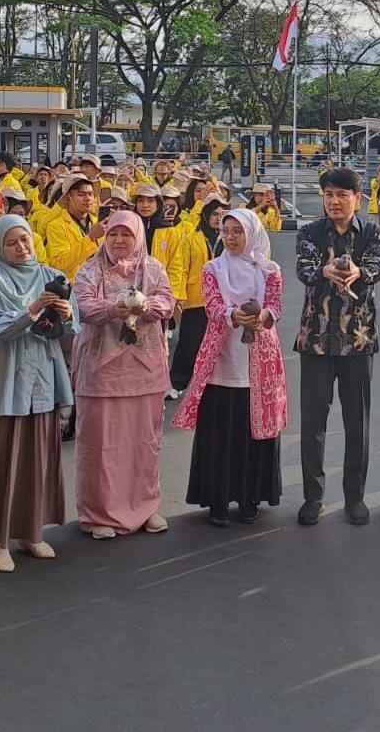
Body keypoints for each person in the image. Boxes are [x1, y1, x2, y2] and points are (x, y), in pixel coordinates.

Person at [0, 216, 74, 571]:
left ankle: (31, 532)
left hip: (43, 374)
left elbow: (70, 327)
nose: (21, 248)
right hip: (9, 376)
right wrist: (33, 310)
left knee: (37, 457)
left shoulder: (50, 274)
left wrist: (68, 312)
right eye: (12, 242)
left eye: (25, 240)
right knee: (2, 459)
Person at [172, 209, 287, 526]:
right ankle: (217, 499)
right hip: (222, 357)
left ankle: (250, 496)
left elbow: (275, 307)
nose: (231, 237)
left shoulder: (270, 271)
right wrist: (233, 316)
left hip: (260, 358)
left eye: (238, 231)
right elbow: (212, 305)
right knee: (220, 429)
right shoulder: (213, 268)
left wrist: (262, 318)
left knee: (254, 429)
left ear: (252, 233)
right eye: (226, 231)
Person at [72, 211, 176, 537]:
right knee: (101, 443)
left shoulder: (153, 268)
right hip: (102, 371)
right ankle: (98, 514)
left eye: (126, 235)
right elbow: (82, 306)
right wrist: (110, 310)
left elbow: (168, 302)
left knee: (144, 443)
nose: (118, 241)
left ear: (138, 237)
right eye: (113, 234)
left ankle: (145, 507)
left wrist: (145, 307)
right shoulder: (90, 269)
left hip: (144, 371)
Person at [294, 167, 380, 526]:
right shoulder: (309, 232)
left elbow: (377, 267)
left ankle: (355, 497)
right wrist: (324, 272)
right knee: (313, 423)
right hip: (315, 340)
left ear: (356, 198)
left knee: (356, 424)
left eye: (342, 195)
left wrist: (359, 272)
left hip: (357, 340)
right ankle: (312, 496)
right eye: (329, 194)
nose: (334, 201)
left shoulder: (374, 233)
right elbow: (304, 269)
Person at [168, 196, 225, 395]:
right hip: (196, 298)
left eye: (222, 215)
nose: (218, 218)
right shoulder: (192, 237)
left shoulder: (228, 238)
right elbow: (182, 268)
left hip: (222, 299)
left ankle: (212, 383)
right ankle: (177, 383)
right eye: (215, 214)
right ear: (206, 215)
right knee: (189, 342)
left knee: (220, 343)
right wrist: (179, 296)